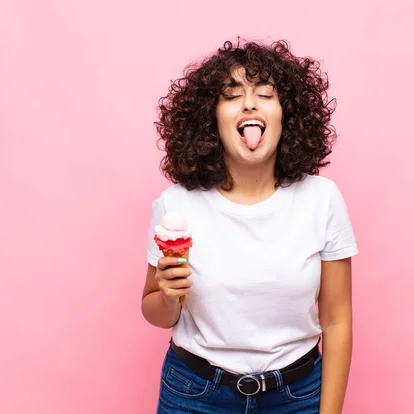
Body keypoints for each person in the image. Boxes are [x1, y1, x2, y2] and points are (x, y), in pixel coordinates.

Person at [141, 38, 358, 414]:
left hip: (297, 396)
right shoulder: (175, 205)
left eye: (265, 94)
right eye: (232, 94)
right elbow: (157, 313)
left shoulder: (322, 199)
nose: (250, 103)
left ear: (286, 114)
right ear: (210, 118)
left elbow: (336, 320)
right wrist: (168, 295)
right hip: (194, 394)